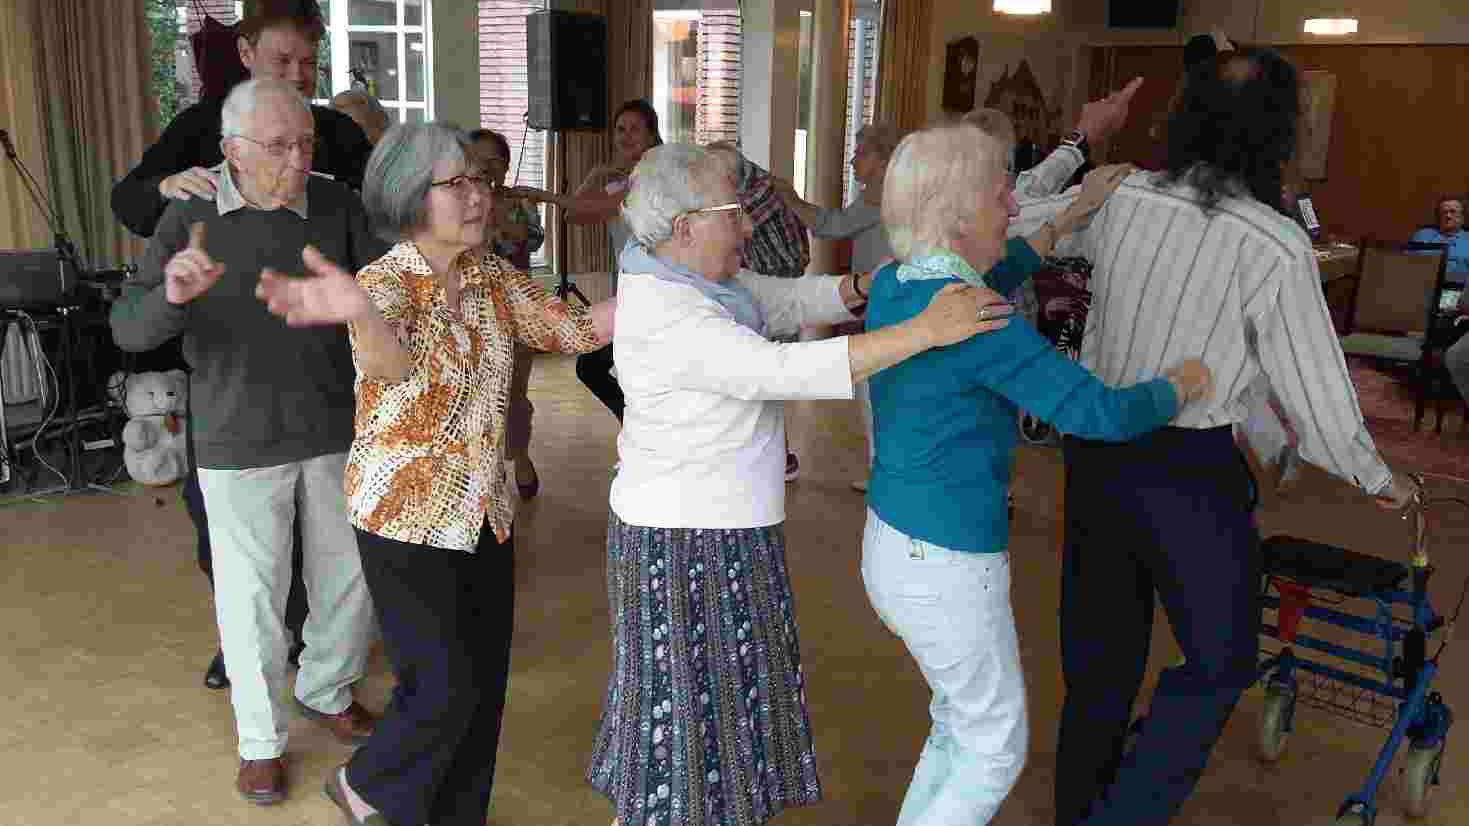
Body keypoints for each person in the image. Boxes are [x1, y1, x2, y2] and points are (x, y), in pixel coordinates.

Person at [1002, 48, 1419, 826]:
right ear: (1277, 133)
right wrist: (1374, 476)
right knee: (1220, 662)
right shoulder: (1273, 242)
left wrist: (1079, 141)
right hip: (1185, 471)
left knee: (1100, 666)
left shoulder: (1118, 195)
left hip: (1094, 456)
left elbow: (1007, 220)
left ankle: (1080, 811)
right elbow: (1313, 387)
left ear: (1185, 117)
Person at [589, 143, 1014, 826]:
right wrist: (924, 330)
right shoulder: (669, 310)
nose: (750, 225)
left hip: (719, 534)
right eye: (734, 213)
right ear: (685, 226)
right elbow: (783, 370)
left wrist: (863, 287)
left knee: (718, 713)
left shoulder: (697, 278)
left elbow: (782, 299)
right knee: (685, 722)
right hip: (683, 544)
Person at [255, 123, 615, 826]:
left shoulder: (492, 277)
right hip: (405, 515)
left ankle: (456, 815)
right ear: (410, 195)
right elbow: (390, 368)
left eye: (478, 179)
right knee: (440, 684)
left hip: (485, 509)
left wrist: (668, 289)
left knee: (483, 684)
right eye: (456, 183)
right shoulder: (383, 283)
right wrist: (359, 315)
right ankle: (364, 784)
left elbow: (569, 330)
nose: (477, 195)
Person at [860, 122, 1210, 826]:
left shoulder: (901, 285)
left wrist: (1070, 218)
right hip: (946, 565)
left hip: (893, 548)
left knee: (959, 725)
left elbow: (992, 273)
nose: (1014, 206)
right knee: (992, 749)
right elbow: (1098, 413)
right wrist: (1179, 385)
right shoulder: (984, 322)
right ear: (958, 215)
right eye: (1000, 196)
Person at [110, 79, 384, 806]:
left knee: (347, 578)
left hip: (336, 426)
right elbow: (129, 328)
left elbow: (388, 295)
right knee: (252, 597)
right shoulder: (190, 213)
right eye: (277, 146)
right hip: (238, 436)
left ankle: (326, 688)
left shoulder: (337, 205)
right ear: (232, 150)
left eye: (305, 143)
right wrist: (173, 296)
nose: (297, 160)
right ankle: (260, 740)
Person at [511, 99, 663, 424]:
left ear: (652, 135)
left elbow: (593, 208)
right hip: (631, 290)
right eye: (620, 129)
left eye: (635, 129)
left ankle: (643, 429)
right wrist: (596, 174)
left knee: (601, 367)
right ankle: (640, 428)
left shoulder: (654, 176)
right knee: (607, 369)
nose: (626, 136)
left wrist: (543, 195)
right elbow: (575, 215)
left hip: (659, 291)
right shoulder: (619, 180)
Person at [705, 140, 813, 479]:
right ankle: (777, 457)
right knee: (762, 383)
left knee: (764, 383)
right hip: (768, 286)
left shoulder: (759, 193)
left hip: (775, 288)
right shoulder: (755, 185)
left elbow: (734, 229)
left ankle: (776, 459)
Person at [468, 128, 547, 498]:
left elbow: (532, 239)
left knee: (514, 393)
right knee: (476, 393)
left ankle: (521, 455)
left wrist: (498, 219)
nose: (486, 168)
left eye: (493, 161)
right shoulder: (457, 201)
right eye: (477, 160)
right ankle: (487, 468)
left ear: (506, 165)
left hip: (516, 314)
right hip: (469, 312)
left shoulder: (519, 202)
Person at [1410, 195, 1469, 282]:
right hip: (1423, 284)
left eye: (1452, 212)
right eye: (1444, 212)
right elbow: (1406, 265)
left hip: (1459, 287)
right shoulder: (1422, 236)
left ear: (1462, 217)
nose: (1448, 216)